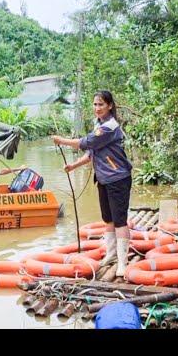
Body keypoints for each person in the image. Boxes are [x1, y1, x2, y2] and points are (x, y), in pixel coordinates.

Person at [51, 90, 133, 277]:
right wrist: (74, 165)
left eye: (101, 104)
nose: (97, 108)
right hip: (104, 178)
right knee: (108, 219)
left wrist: (61, 140)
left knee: (120, 221)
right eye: (95, 105)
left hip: (118, 178)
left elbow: (86, 143)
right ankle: (111, 254)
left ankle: (123, 262)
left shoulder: (109, 127)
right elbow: (92, 153)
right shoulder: (99, 124)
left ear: (110, 106)